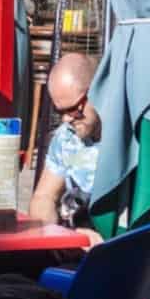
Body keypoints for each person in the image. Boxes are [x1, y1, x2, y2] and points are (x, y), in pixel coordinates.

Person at [29, 54, 105, 244]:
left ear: (97, 91)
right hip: (75, 239)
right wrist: (54, 236)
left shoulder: (126, 136)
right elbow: (44, 197)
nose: (66, 119)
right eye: (59, 111)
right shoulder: (65, 138)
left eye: (73, 109)